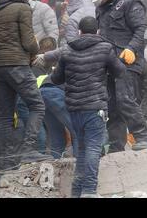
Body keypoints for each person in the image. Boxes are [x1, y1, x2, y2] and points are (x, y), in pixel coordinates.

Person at [51, 17, 127, 198]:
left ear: (79, 31)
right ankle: (89, 191)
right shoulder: (105, 48)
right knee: (93, 148)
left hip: (74, 108)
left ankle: (77, 191)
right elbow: (120, 72)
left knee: (83, 149)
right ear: (98, 31)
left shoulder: (67, 50)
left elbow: (56, 79)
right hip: (95, 107)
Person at [0, 0, 51, 167]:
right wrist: (35, 50)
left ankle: (8, 159)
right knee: (37, 105)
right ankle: (28, 150)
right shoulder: (22, 8)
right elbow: (28, 42)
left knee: (5, 115)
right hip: (17, 65)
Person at [92, 0, 147, 152]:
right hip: (109, 61)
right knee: (112, 105)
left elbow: (141, 29)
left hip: (128, 60)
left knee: (125, 99)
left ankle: (143, 137)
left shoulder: (130, 3)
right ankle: (117, 145)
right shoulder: (101, 8)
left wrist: (131, 48)